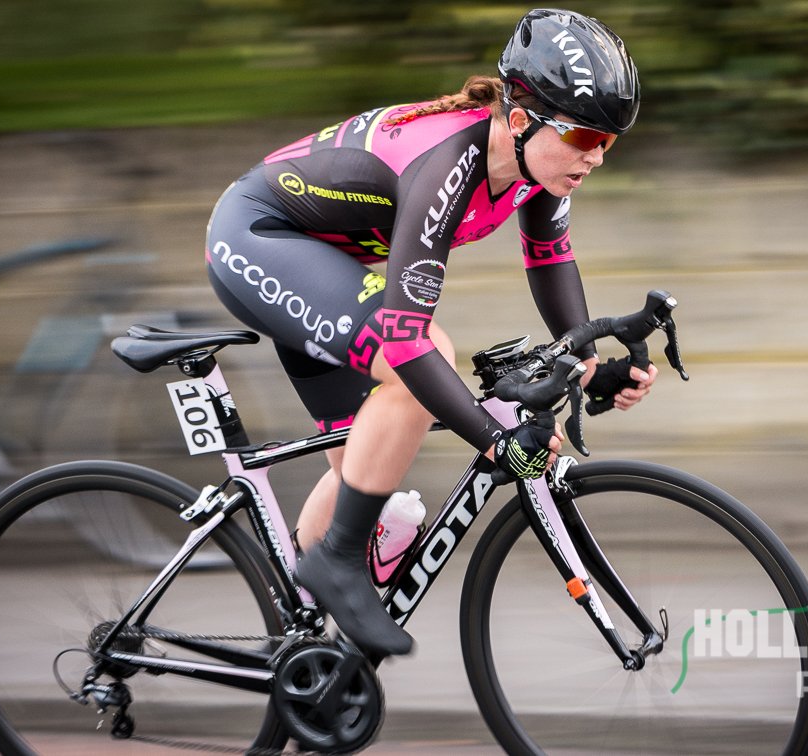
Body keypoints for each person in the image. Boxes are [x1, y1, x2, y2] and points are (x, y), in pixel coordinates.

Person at [205, 8, 658, 656]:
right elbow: (408, 338)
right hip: (258, 241)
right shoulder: (448, 163)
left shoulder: (536, 168)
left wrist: (589, 365)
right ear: (523, 119)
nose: (596, 159)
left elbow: (550, 261)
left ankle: (300, 656)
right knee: (423, 354)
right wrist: (497, 441)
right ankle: (333, 563)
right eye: (587, 138)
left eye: (609, 144)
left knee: (368, 484)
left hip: (326, 266)